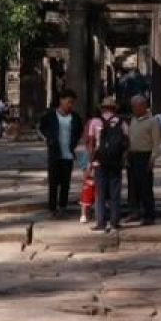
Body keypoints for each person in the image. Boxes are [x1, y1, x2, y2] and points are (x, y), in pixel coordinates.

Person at [37, 88, 83, 217]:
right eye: (69, 102)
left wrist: (74, 142)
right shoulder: (50, 116)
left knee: (65, 183)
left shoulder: (75, 117)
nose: (70, 105)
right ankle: (52, 208)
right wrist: (47, 139)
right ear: (61, 101)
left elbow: (79, 131)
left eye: (72, 103)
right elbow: (40, 128)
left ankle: (63, 207)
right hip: (54, 154)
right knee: (53, 182)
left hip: (68, 155)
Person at [87, 95, 129, 233]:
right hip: (116, 161)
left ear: (102, 108)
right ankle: (115, 222)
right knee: (115, 192)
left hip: (100, 161)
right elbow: (126, 142)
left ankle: (101, 222)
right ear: (114, 109)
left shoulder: (94, 121)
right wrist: (123, 158)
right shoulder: (121, 122)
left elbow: (91, 142)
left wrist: (91, 160)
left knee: (100, 193)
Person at [126, 95, 161, 225]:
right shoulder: (132, 120)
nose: (133, 109)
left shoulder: (152, 121)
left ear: (142, 106)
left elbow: (156, 143)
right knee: (132, 186)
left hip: (145, 156)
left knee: (145, 187)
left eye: (135, 107)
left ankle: (149, 215)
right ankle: (134, 212)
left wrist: (152, 159)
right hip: (132, 155)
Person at [77, 148, 96, 224]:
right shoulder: (88, 153)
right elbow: (85, 171)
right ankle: (84, 215)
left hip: (96, 179)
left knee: (94, 197)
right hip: (89, 180)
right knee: (86, 198)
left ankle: (88, 214)